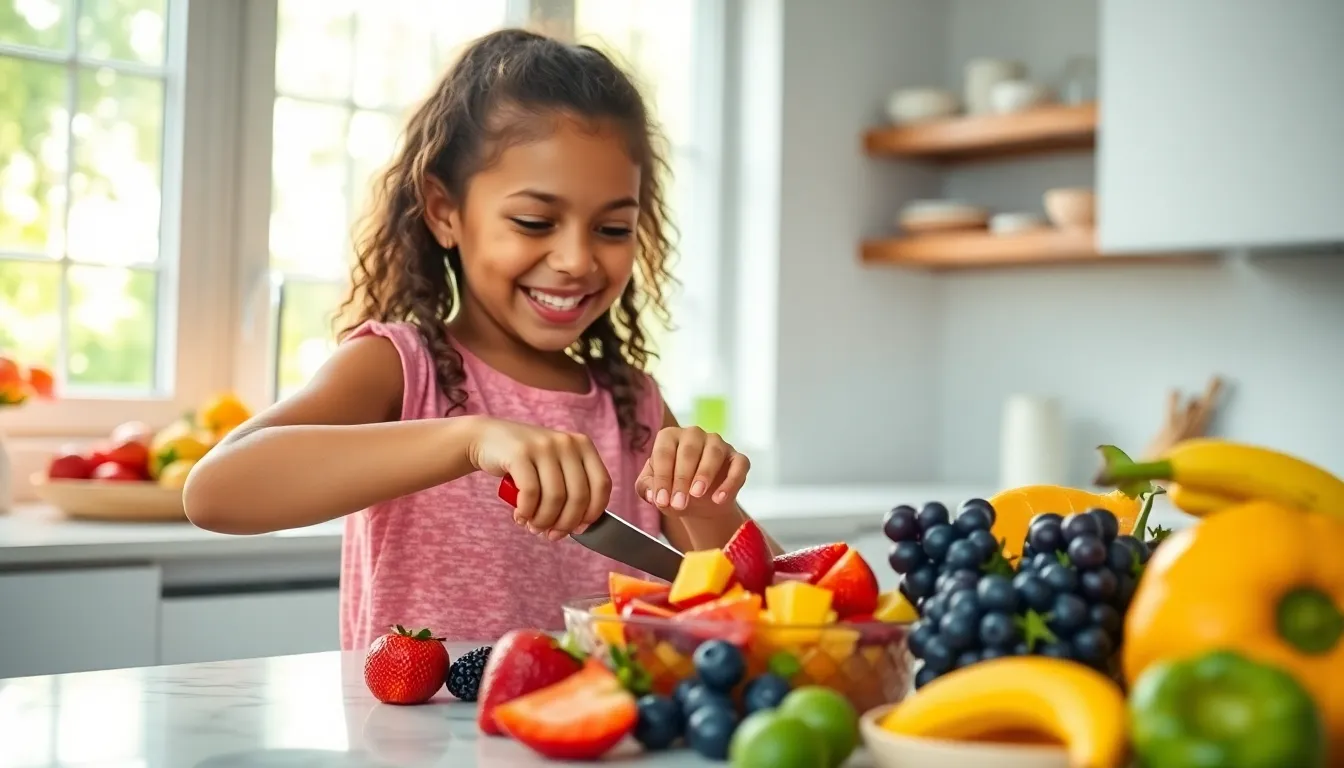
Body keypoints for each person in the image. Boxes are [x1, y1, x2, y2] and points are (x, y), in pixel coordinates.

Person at [185, 28, 780, 648]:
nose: (577, 259)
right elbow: (215, 492)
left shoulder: (633, 404)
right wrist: (469, 438)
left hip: (598, 738)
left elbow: (772, 606)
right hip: (422, 743)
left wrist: (706, 506)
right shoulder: (398, 367)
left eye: (611, 228)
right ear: (445, 212)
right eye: (534, 221)